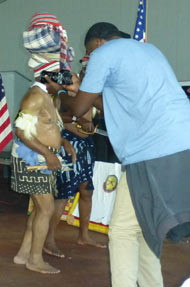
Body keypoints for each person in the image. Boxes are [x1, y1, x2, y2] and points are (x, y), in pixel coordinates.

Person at [55, 22, 190, 287]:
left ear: (97, 43)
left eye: (87, 53)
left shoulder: (103, 54)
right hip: (181, 142)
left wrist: (60, 93)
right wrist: (80, 90)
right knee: (144, 228)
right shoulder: (148, 51)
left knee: (123, 231)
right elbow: (108, 105)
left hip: (152, 150)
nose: (89, 60)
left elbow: (79, 109)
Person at [11, 13, 75, 275]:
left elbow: (49, 127)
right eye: (60, 74)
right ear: (47, 75)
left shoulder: (49, 97)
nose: (64, 77)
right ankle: (35, 259)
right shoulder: (33, 97)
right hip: (33, 159)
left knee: (40, 209)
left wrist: (63, 145)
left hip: (42, 159)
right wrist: (48, 156)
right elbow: (22, 132)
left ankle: (24, 254)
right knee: (46, 209)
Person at [43, 56, 106, 259]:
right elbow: (55, 117)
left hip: (86, 147)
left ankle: (84, 235)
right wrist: (77, 118)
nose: (75, 81)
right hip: (68, 146)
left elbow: (91, 117)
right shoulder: (61, 96)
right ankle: (49, 239)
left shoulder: (90, 92)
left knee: (86, 190)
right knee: (63, 194)